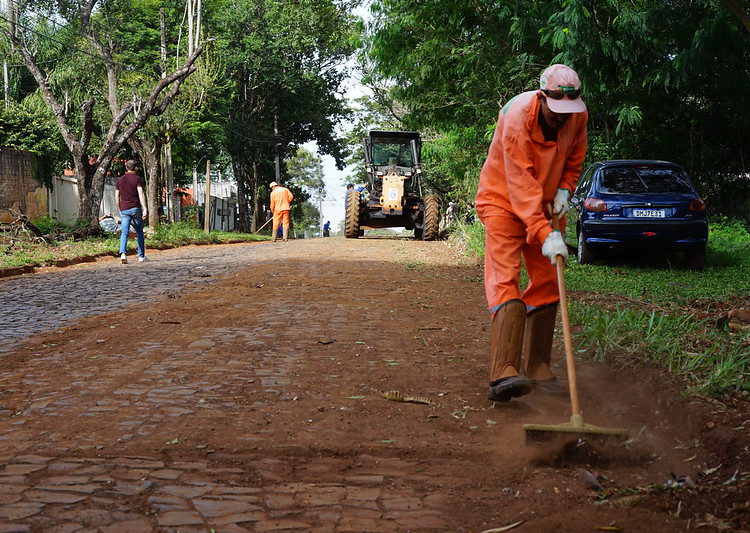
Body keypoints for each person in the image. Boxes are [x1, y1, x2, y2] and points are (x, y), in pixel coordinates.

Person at [474, 64, 588, 402]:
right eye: (557, 111)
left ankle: (538, 365)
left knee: (549, 278)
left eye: (569, 111)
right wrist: (543, 232)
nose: (562, 118)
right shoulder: (516, 117)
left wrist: (566, 189)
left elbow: (575, 156)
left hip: (548, 203)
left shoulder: (577, 115)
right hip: (503, 202)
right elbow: (520, 184)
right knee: (505, 278)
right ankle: (504, 369)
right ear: (542, 97)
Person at [115, 160, 149, 264]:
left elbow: (116, 197)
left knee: (124, 232)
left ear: (126, 168)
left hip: (124, 209)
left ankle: (123, 254)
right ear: (136, 168)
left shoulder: (119, 180)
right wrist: (145, 208)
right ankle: (141, 256)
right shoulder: (137, 179)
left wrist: (120, 209)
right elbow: (141, 194)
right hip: (135, 209)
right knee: (139, 232)